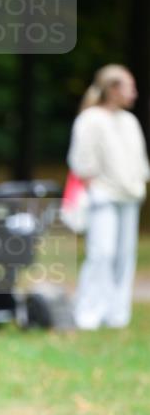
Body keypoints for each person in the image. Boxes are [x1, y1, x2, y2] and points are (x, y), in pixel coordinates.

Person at [67, 64, 149, 330]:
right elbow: (81, 161)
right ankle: (88, 313)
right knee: (102, 253)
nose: (134, 93)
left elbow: (138, 161)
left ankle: (117, 314)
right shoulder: (90, 119)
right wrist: (96, 188)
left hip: (129, 197)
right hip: (102, 197)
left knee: (124, 256)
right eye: (129, 87)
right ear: (113, 89)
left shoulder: (129, 121)